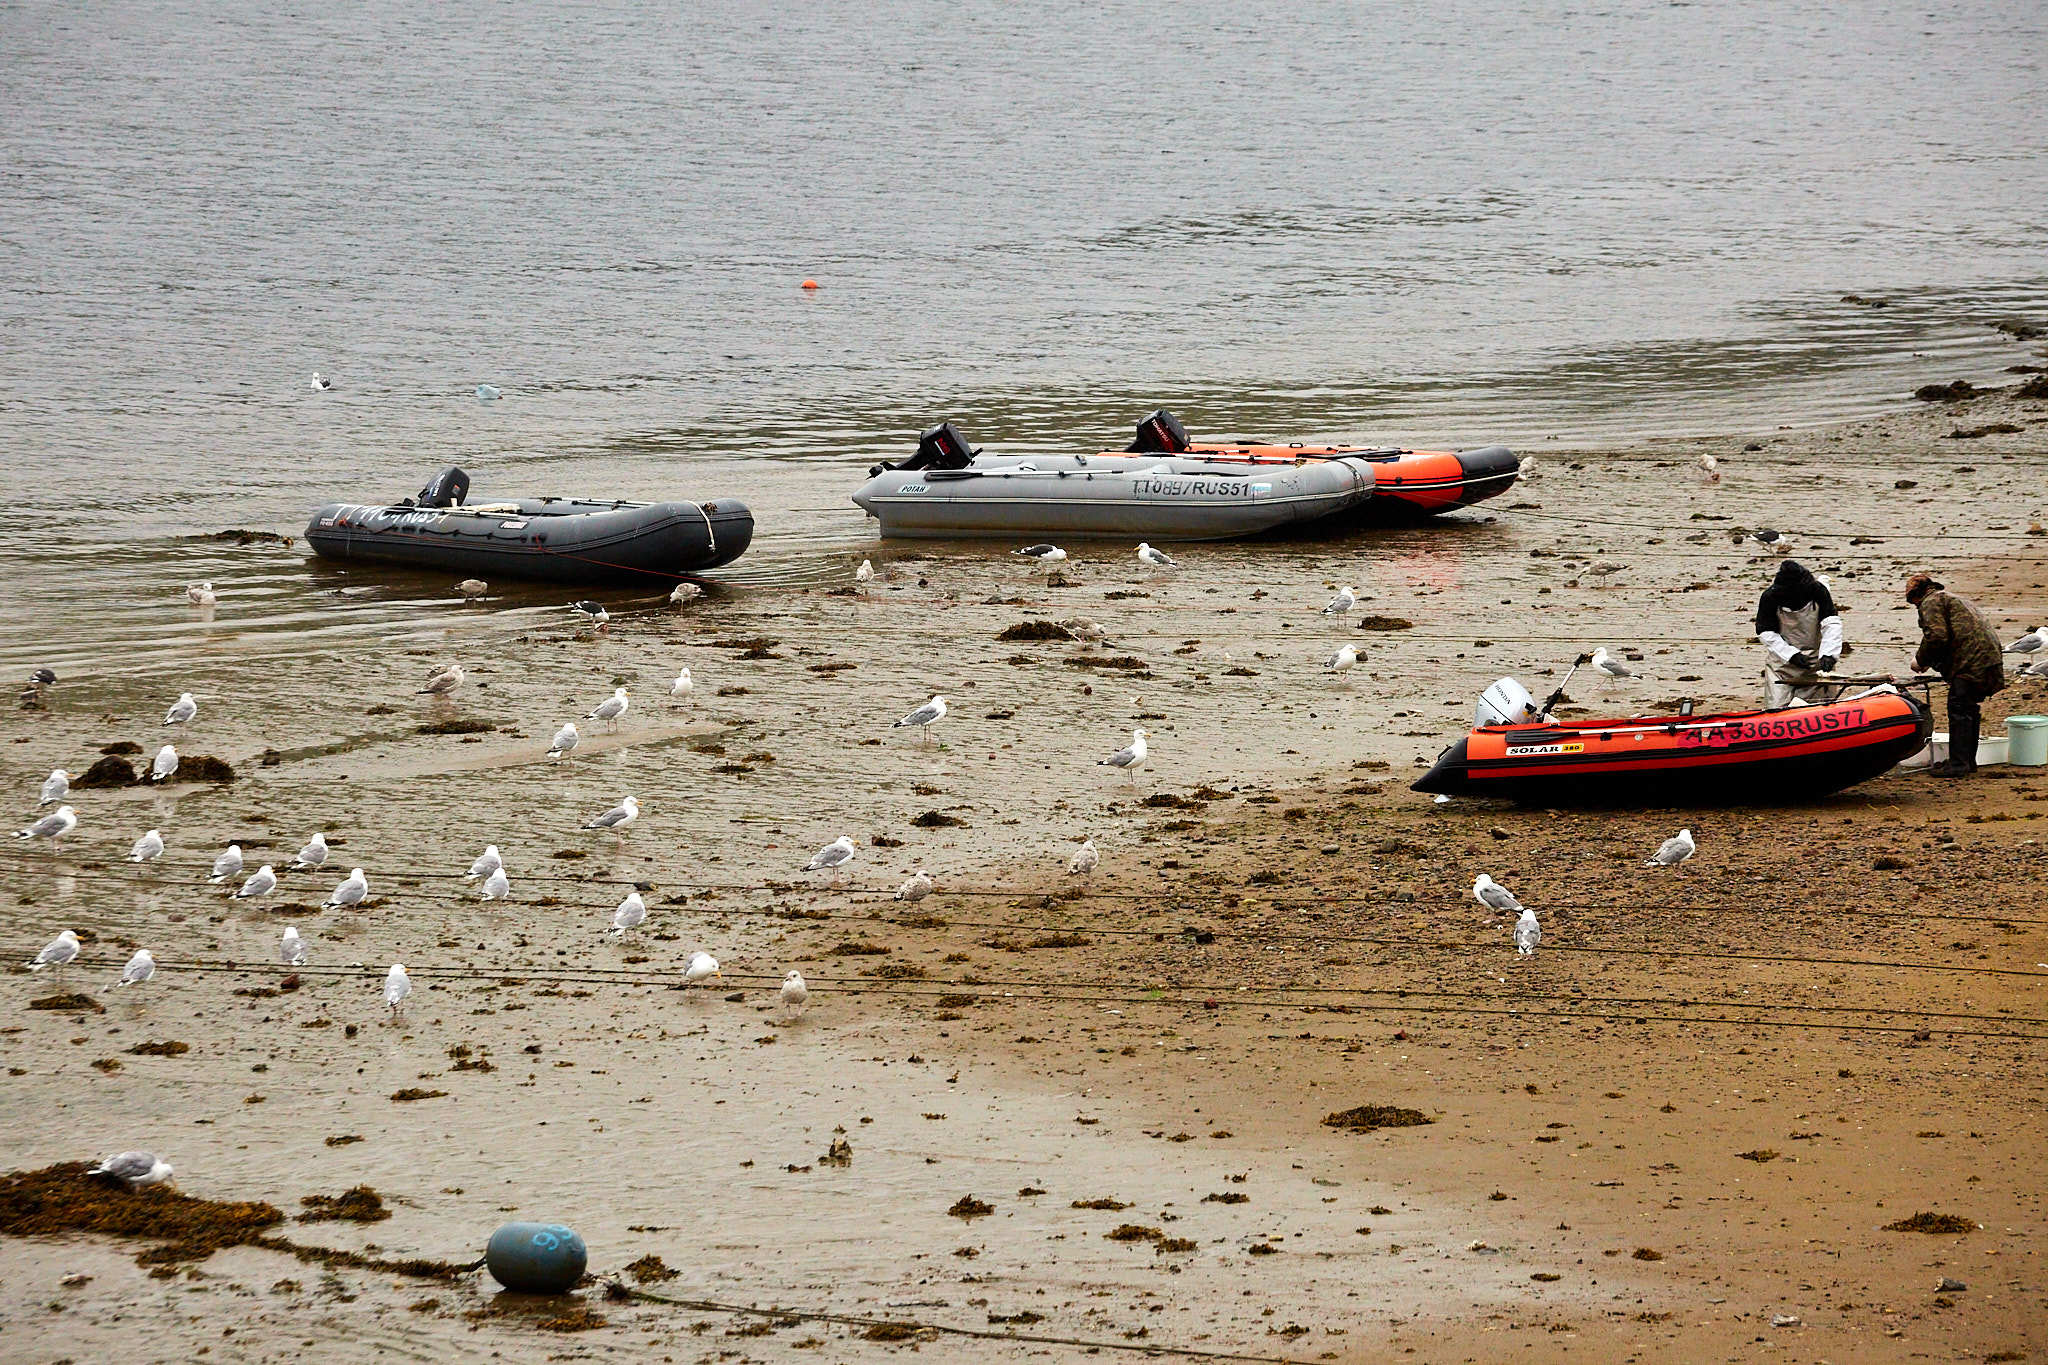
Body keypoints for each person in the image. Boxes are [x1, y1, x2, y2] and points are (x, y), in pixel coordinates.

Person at [1906, 573, 2005, 777]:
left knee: (1959, 708)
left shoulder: (1930, 602)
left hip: (1971, 662)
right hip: (1989, 659)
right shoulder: (1950, 598)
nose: (1916, 607)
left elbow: (1937, 637)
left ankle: (1958, 764)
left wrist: (1921, 660)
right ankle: (1968, 761)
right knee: (1969, 709)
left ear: (1917, 595)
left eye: (1913, 603)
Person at [1755, 560, 1843, 707]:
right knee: (1776, 710)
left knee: (1815, 711)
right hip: (1782, 667)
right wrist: (1791, 655)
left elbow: (1831, 624)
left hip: (1816, 667)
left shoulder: (1818, 591)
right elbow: (1766, 632)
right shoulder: (1770, 597)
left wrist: (1829, 654)